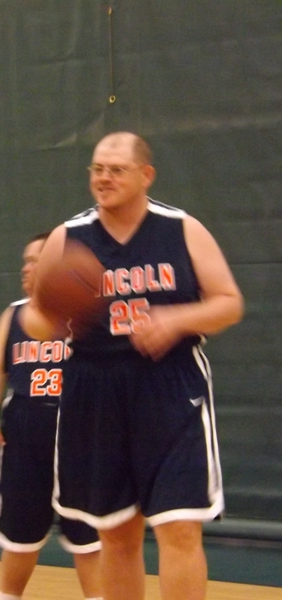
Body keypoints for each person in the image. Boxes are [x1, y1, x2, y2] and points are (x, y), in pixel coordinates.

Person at [21, 132, 244, 600]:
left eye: (116, 170)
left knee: (179, 526)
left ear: (146, 175)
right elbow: (36, 320)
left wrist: (176, 319)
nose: (104, 178)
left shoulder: (181, 229)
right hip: (94, 387)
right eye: (97, 169)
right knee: (117, 534)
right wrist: (56, 314)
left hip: (170, 385)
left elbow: (229, 303)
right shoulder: (69, 237)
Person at [0, 232, 102, 600]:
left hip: (80, 429)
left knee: (88, 535)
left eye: (37, 261)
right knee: (20, 533)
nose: (27, 268)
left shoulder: (88, 315)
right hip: (26, 427)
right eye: (25, 261)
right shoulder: (14, 314)